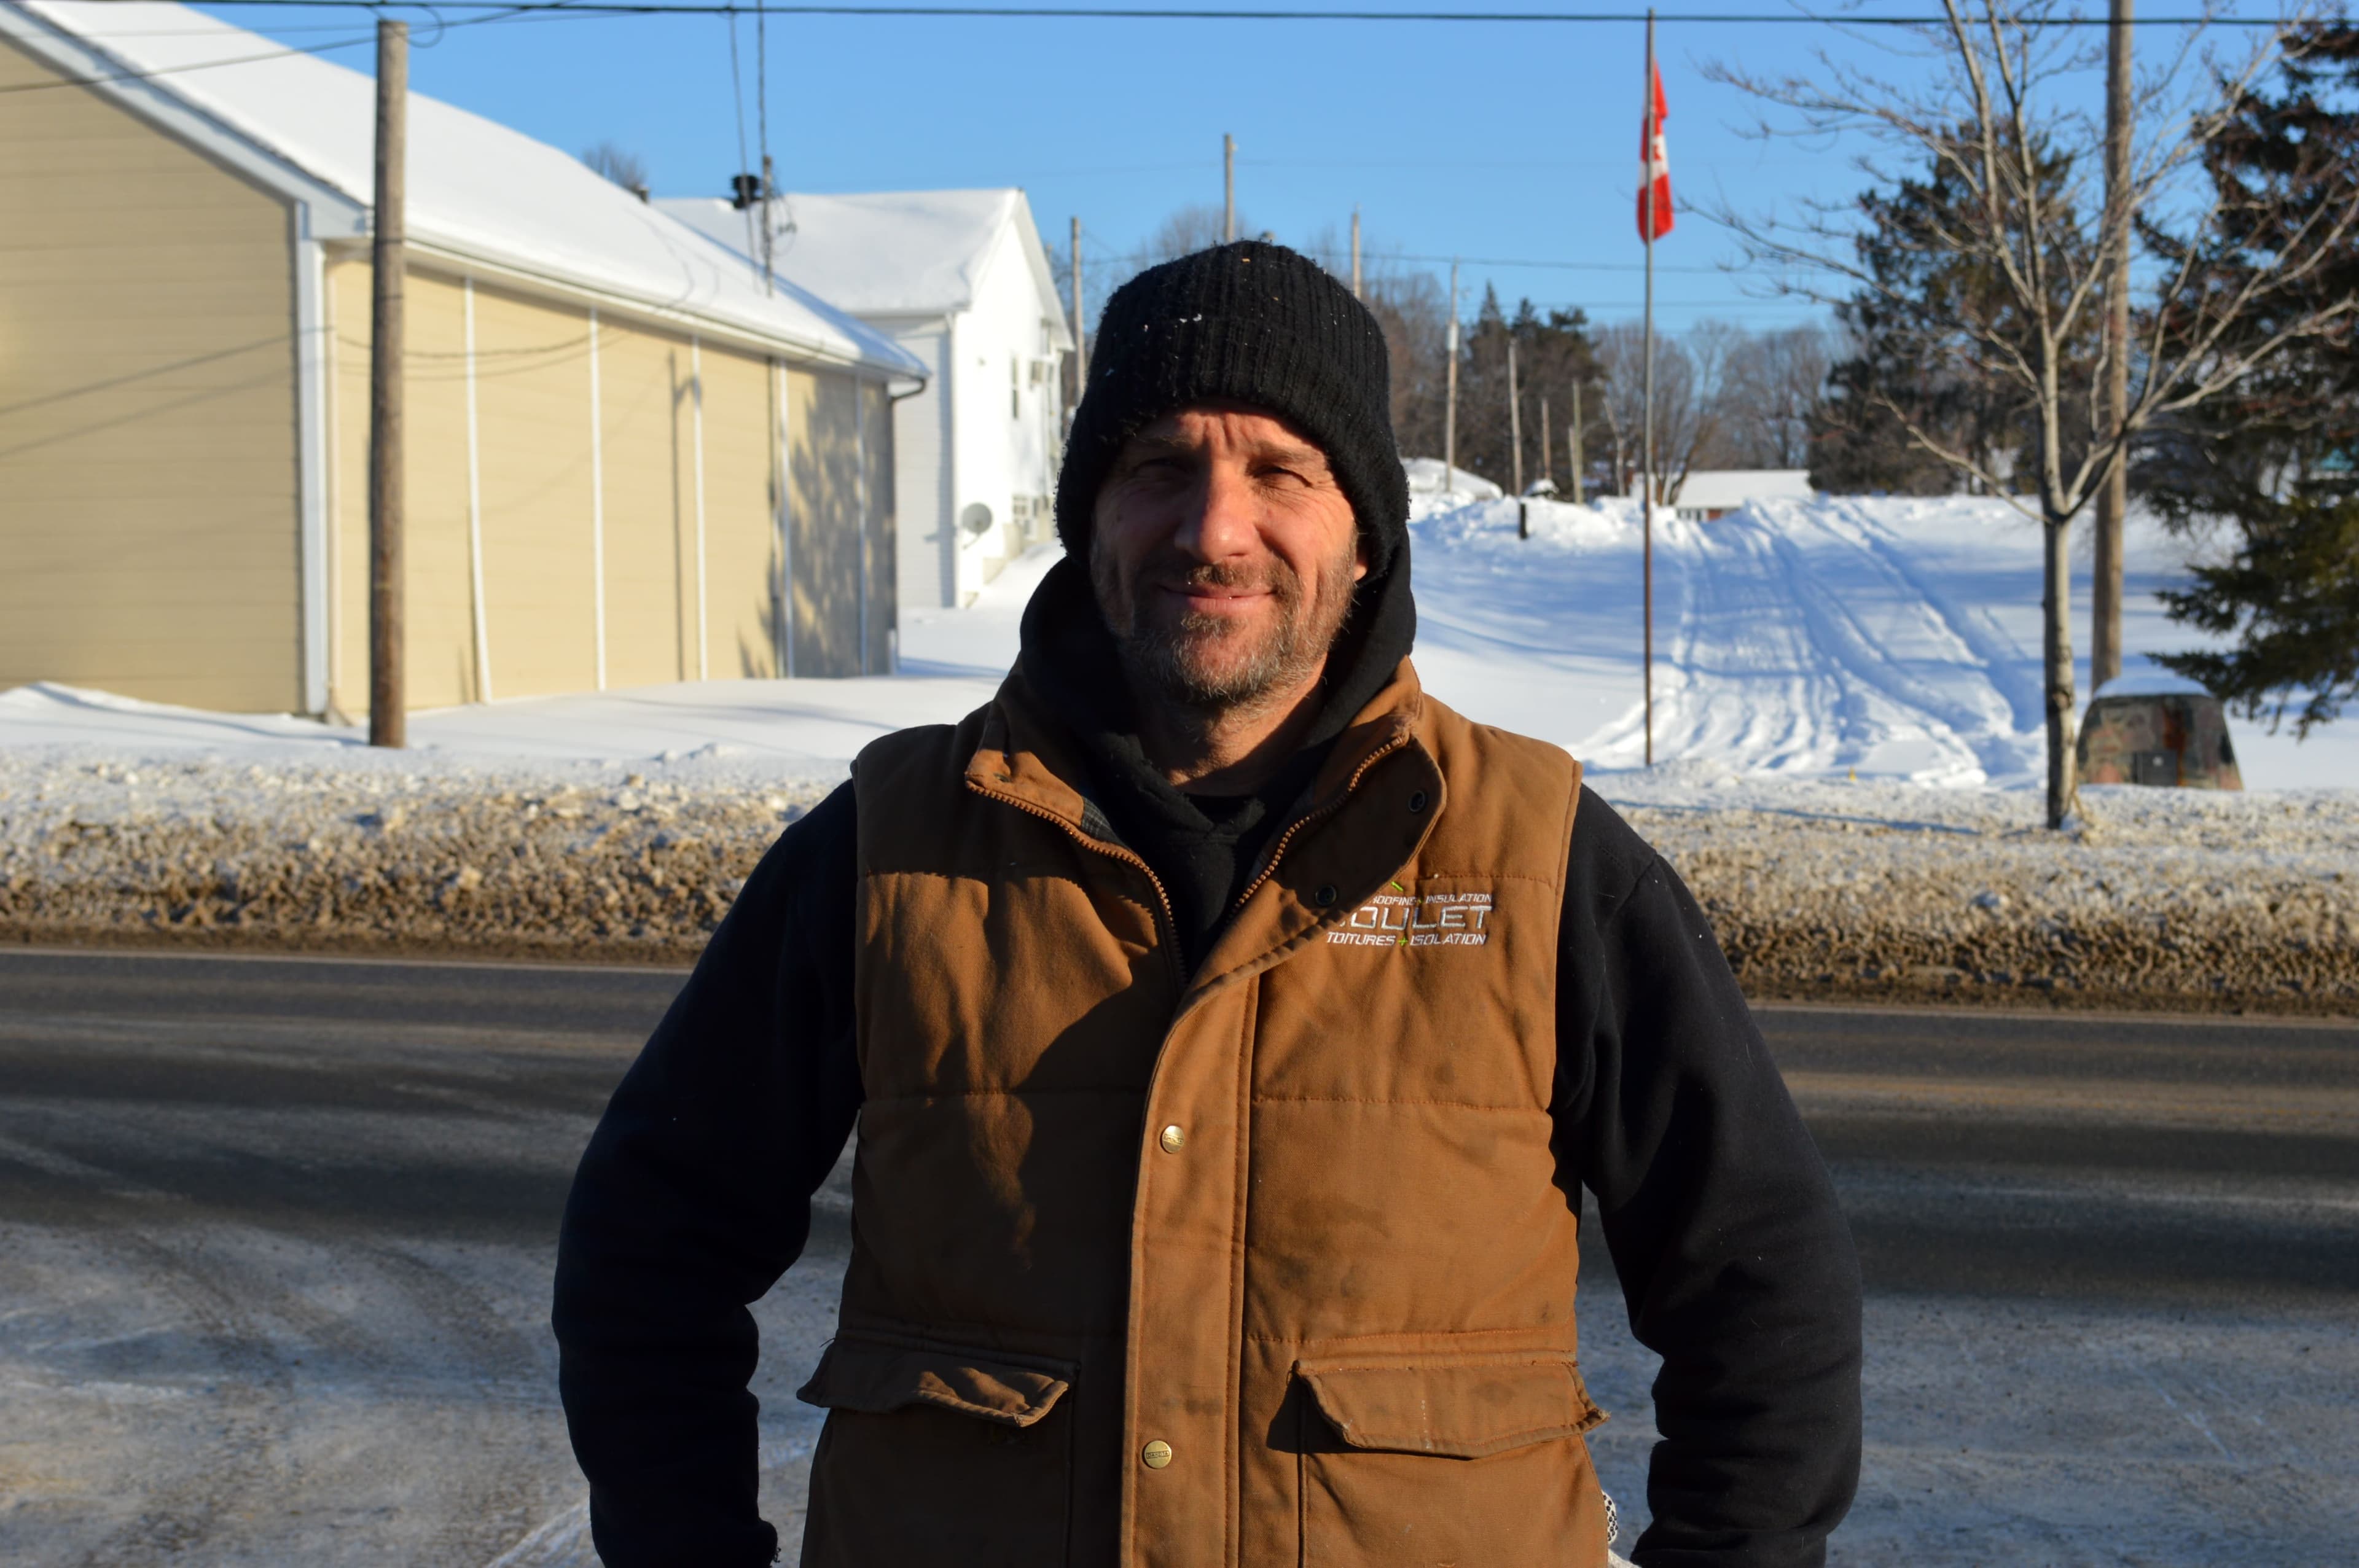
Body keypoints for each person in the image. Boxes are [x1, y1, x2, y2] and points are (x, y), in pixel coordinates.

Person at [554, 241, 1861, 1568]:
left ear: (1364, 533)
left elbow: (1762, 1285)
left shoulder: (1539, 854)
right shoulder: (892, 846)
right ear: (1093, 518)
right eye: (1161, 467)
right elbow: (650, 1245)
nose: (1213, 527)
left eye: (1279, 471)